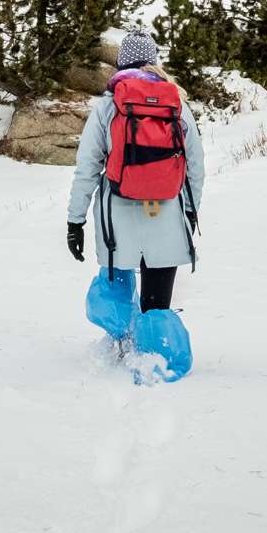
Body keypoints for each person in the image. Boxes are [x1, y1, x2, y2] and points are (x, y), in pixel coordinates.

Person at [65, 30, 204, 369]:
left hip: (118, 218)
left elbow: (87, 166)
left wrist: (75, 220)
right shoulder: (176, 103)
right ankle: (157, 357)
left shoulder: (109, 106)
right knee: (156, 303)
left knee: (118, 285)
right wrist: (188, 213)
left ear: (121, 63)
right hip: (166, 215)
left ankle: (121, 345)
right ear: (154, 61)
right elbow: (196, 167)